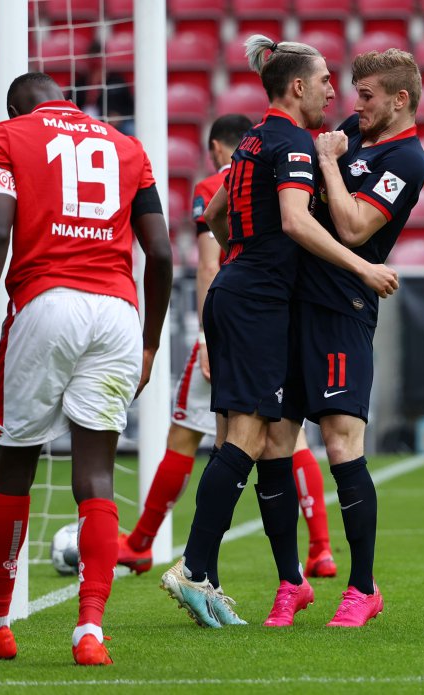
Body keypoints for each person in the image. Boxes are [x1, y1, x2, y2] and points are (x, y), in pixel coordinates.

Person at [159, 34, 398, 629]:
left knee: (251, 439)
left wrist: (241, 250)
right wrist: (363, 266)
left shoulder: (250, 142)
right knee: (245, 436)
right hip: (258, 300)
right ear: (297, 87)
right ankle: (192, 567)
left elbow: (213, 215)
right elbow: (295, 221)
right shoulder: (291, 142)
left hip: (235, 290)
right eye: (323, 82)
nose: (331, 92)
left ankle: (206, 574)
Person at [0, 72, 172, 666]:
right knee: (96, 477)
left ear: (15, 107)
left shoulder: (6, 136)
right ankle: (90, 632)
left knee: (15, 466)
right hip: (119, 315)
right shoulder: (128, 146)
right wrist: (150, 342)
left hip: (47, 303)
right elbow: (160, 252)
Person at [116, 114, 338, 581]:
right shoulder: (295, 171)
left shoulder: (222, 182)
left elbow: (207, 264)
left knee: (192, 436)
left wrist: (205, 336)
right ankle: (319, 549)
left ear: (221, 147)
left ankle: (148, 544)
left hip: (234, 319)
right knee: (288, 437)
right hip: (280, 318)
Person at [287, 47, 424, 627]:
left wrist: (325, 163)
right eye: (352, 93)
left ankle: (362, 586)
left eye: (366, 96)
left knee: (343, 443)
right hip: (296, 301)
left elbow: (351, 225)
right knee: (275, 439)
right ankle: (288, 584)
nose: (354, 105)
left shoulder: (407, 159)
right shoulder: (355, 132)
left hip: (344, 306)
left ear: (399, 100)